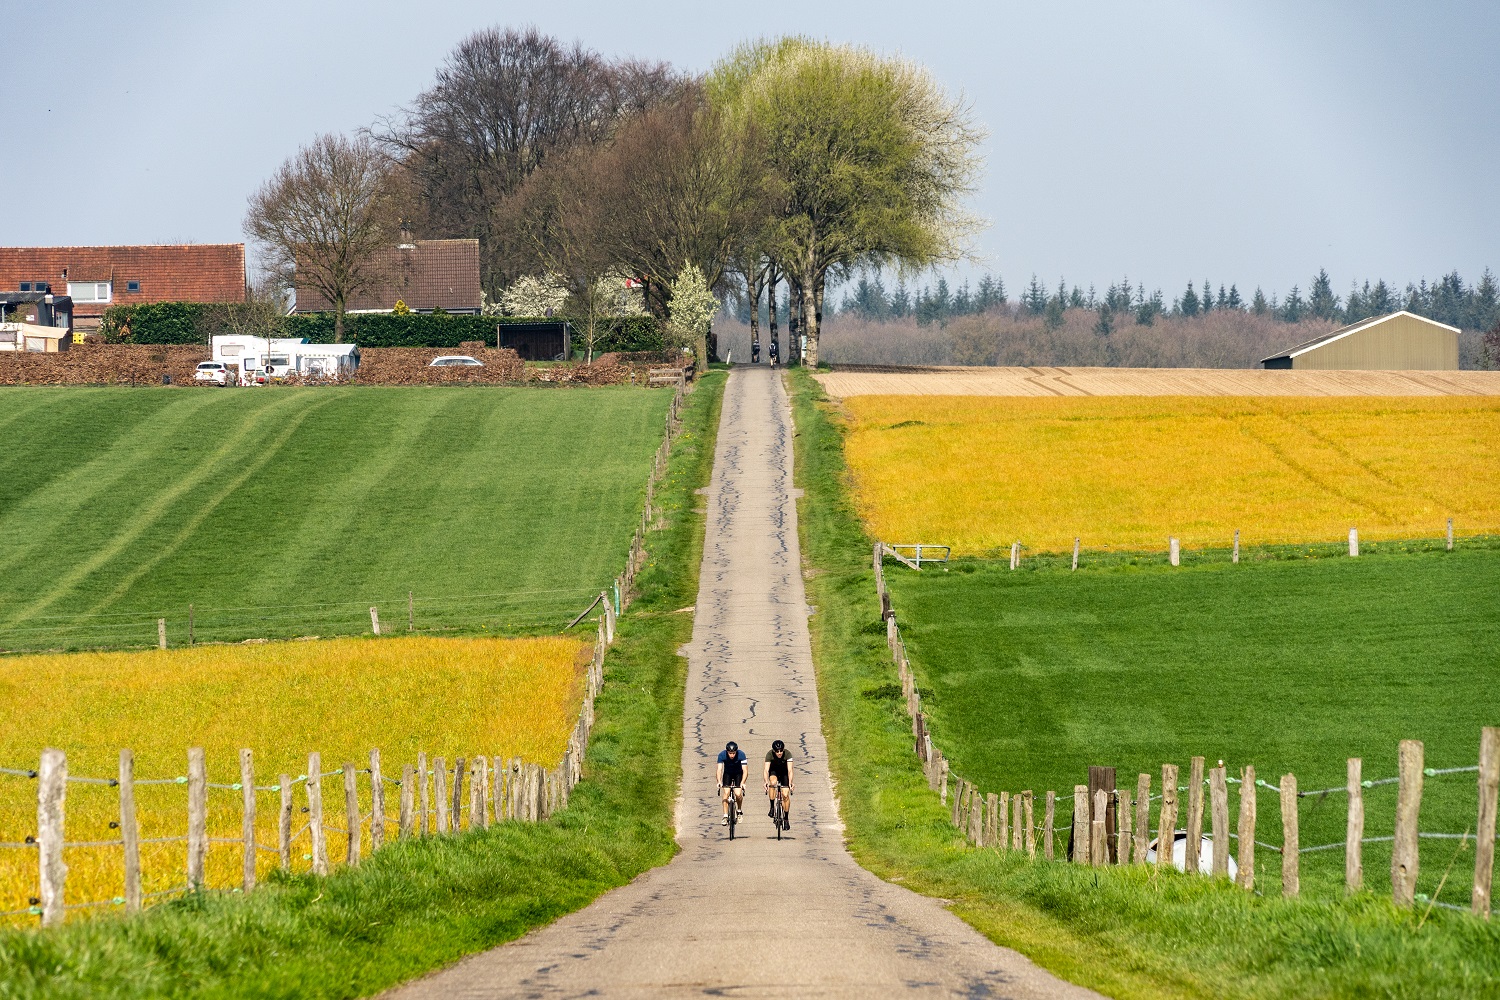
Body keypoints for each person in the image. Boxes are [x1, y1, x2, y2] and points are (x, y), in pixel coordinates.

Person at [716, 740, 748, 826]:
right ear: (727, 752)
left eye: (734, 753)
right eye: (730, 753)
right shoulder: (722, 755)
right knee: (726, 793)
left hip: (738, 773)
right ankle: (725, 816)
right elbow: (719, 770)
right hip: (728, 774)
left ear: (736, 752)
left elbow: (745, 771)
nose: (732, 755)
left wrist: (743, 782)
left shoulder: (741, 755)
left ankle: (739, 811)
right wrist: (719, 781)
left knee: (738, 793)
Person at [764, 739, 793, 830]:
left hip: (784, 773)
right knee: (772, 783)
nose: (779, 753)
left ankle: (786, 818)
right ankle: (772, 807)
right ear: (774, 751)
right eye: (777, 751)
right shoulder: (769, 754)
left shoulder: (788, 754)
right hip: (774, 771)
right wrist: (765, 782)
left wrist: (790, 783)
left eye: (781, 751)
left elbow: (790, 770)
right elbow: (766, 770)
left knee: (785, 795)